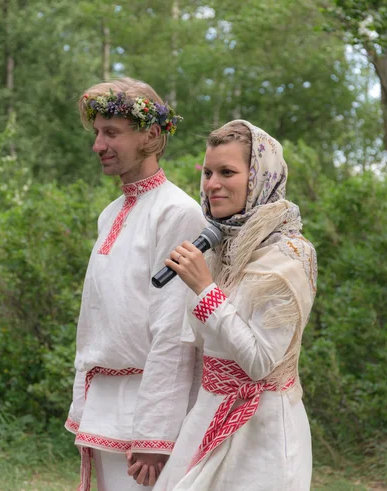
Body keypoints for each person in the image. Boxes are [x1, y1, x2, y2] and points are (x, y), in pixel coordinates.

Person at [141, 120, 317, 490]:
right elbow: (203, 351)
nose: (212, 184)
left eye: (227, 172)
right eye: (207, 172)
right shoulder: (222, 249)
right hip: (205, 416)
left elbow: (259, 363)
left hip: (262, 433)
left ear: (259, 179)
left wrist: (205, 290)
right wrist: (155, 432)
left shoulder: (289, 256)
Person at [65, 77, 207, 490]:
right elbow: (93, 319)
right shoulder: (109, 214)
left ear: (150, 134)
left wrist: (155, 433)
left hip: (146, 411)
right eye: (97, 133)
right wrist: (83, 402)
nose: (98, 145)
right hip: (105, 403)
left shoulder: (178, 213)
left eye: (112, 133)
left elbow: (174, 332)